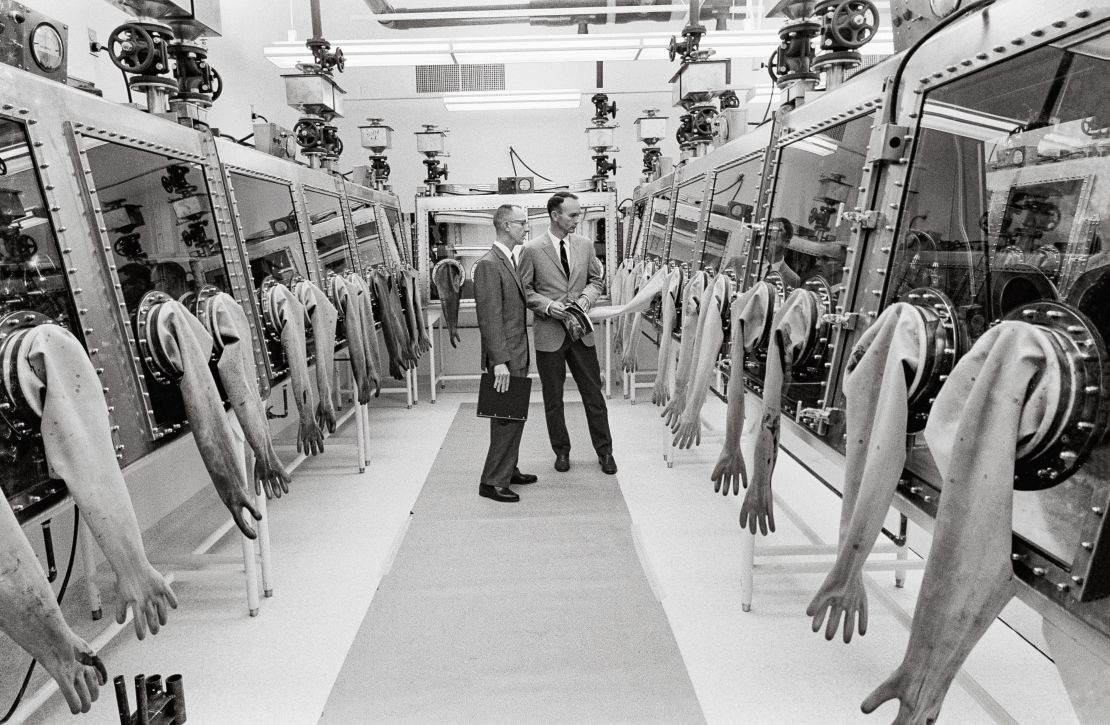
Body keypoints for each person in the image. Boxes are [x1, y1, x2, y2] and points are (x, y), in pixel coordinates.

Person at [518, 192, 617, 475]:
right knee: (553, 398)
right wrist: (548, 306)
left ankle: (605, 452)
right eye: (572, 215)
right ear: (555, 215)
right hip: (550, 333)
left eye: (578, 214)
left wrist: (586, 298)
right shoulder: (532, 249)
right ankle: (561, 452)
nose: (577, 219)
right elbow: (525, 291)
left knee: (593, 395)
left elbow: (597, 280)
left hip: (580, 333)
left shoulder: (585, 246)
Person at [473, 204, 537, 503]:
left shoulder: (508, 259)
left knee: (513, 415)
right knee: (505, 417)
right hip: (506, 357)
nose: (526, 227)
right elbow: (489, 317)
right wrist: (499, 362)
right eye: (523, 223)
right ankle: (492, 481)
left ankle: (508, 468)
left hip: (515, 352)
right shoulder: (489, 264)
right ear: (508, 226)